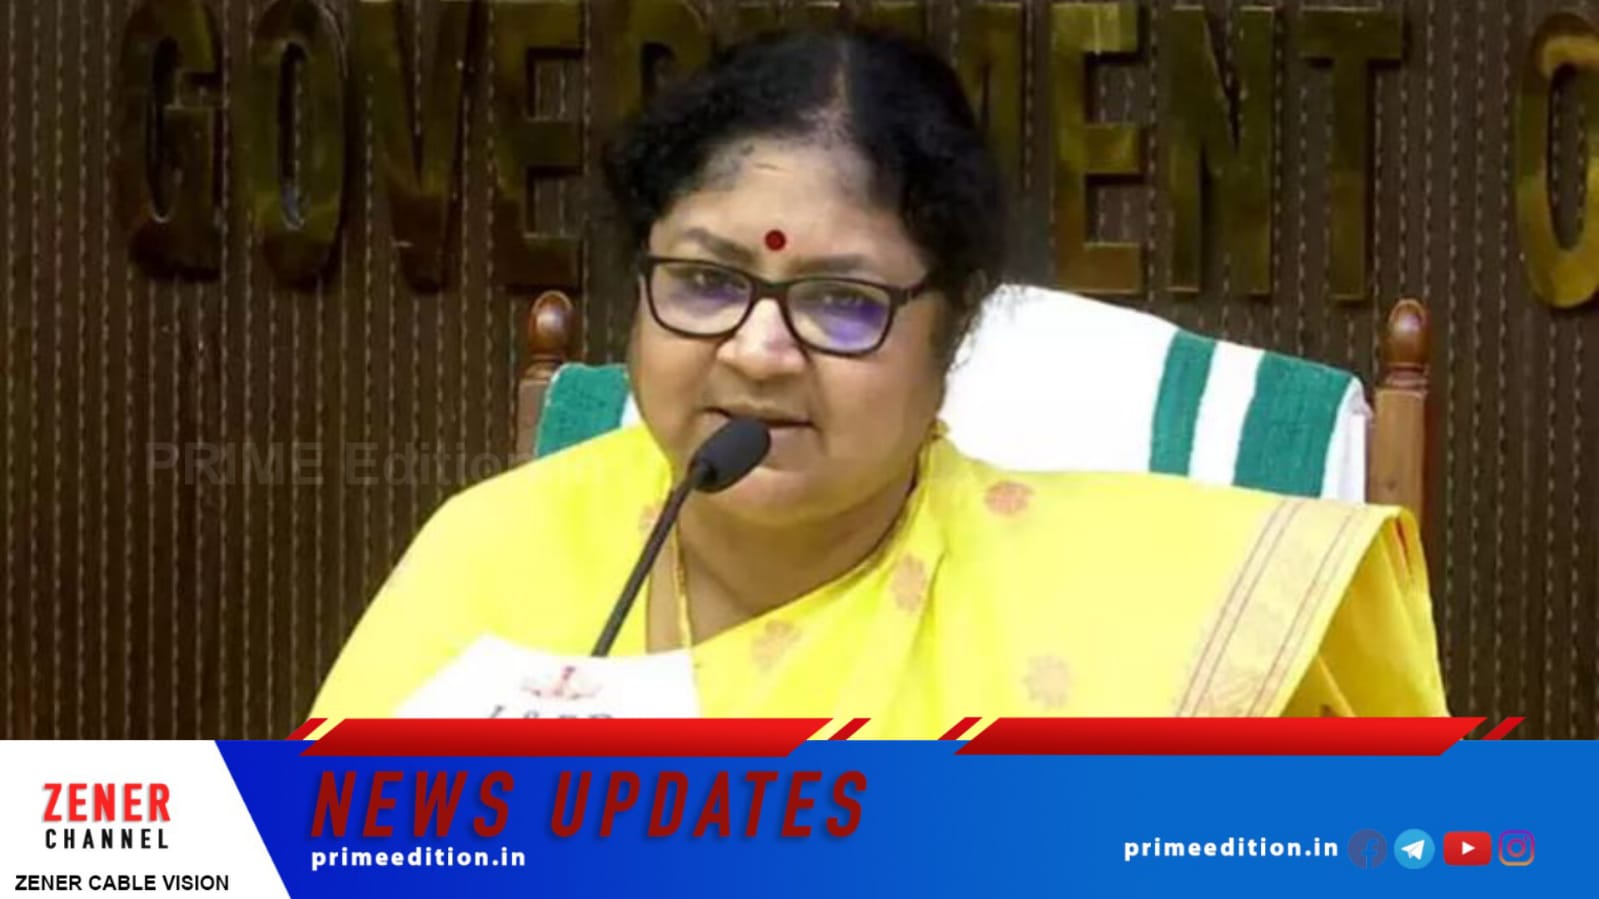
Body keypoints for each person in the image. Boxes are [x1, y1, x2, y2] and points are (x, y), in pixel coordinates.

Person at [309, 27, 1447, 733]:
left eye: (841, 302)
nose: (758, 350)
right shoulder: (496, 553)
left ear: (949, 338)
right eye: (705, 280)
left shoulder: (1154, 613)